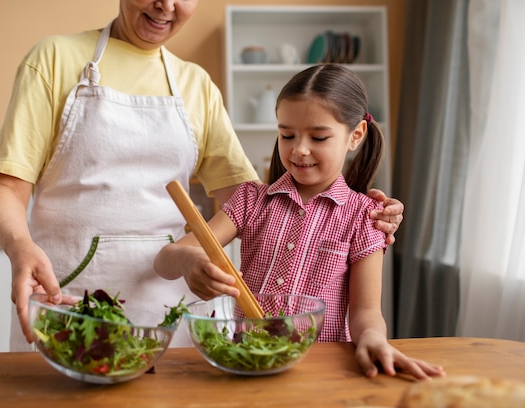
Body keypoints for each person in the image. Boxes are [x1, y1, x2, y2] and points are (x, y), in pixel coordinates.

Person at [0, 1, 404, 351]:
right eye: (288, 134)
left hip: (173, 311)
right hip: (71, 292)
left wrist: (367, 210)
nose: (167, 5)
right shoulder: (54, 58)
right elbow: (5, 187)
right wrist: (20, 246)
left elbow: (260, 200)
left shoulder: (195, 85)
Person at [155, 64, 445, 380]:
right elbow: (165, 261)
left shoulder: (365, 216)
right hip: (247, 362)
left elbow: (366, 312)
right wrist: (188, 260)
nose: (299, 149)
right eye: (287, 134)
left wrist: (374, 339)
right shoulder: (252, 200)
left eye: (318, 137)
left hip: (321, 372)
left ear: (355, 136)